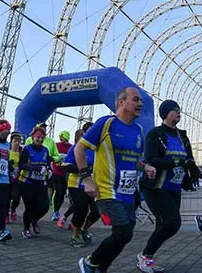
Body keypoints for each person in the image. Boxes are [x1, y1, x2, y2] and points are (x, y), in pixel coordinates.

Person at [76, 87, 156, 273]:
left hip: (127, 193)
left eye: (141, 101)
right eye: (135, 100)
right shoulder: (106, 124)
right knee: (123, 231)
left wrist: (145, 167)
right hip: (106, 191)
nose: (140, 104)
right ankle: (90, 261)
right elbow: (80, 150)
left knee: (125, 235)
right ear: (121, 102)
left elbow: (133, 160)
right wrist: (87, 179)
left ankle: (99, 268)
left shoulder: (138, 130)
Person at [137, 99, 201, 273]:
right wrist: (175, 162)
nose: (179, 113)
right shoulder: (155, 134)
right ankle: (145, 255)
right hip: (156, 186)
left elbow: (188, 157)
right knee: (173, 223)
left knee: (163, 224)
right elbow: (150, 159)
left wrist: (190, 165)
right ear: (166, 113)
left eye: (179, 110)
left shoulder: (182, 135)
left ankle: (148, 258)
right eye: (175, 110)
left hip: (174, 187)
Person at [64, 126, 100, 247]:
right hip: (76, 185)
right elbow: (67, 166)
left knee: (97, 210)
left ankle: (84, 229)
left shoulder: (96, 150)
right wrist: (83, 169)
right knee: (81, 209)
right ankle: (75, 235)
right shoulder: (75, 148)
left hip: (94, 185)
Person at [18, 126, 51, 238]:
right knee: (30, 207)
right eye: (38, 137)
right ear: (33, 137)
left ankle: (34, 221)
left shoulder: (45, 150)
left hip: (41, 182)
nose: (40, 139)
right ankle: (26, 228)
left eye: (42, 137)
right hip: (27, 182)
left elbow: (47, 163)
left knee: (45, 206)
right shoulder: (27, 149)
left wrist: (49, 169)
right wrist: (35, 168)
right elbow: (21, 164)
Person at [51, 130, 73, 226]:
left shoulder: (70, 147)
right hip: (56, 172)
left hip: (65, 173)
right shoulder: (56, 145)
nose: (64, 141)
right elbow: (51, 156)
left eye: (66, 139)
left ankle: (58, 210)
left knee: (62, 193)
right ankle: (55, 211)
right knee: (58, 190)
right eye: (63, 139)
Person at [7, 132, 22, 224]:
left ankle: (12, 210)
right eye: (15, 141)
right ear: (11, 141)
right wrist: (8, 165)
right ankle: (5, 215)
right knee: (7, 197)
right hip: (7, 177)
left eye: (19, 141)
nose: (17, 143)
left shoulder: (21, 153)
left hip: (17, 178)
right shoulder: (7, 151)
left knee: (16, 198)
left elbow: (24, 163)